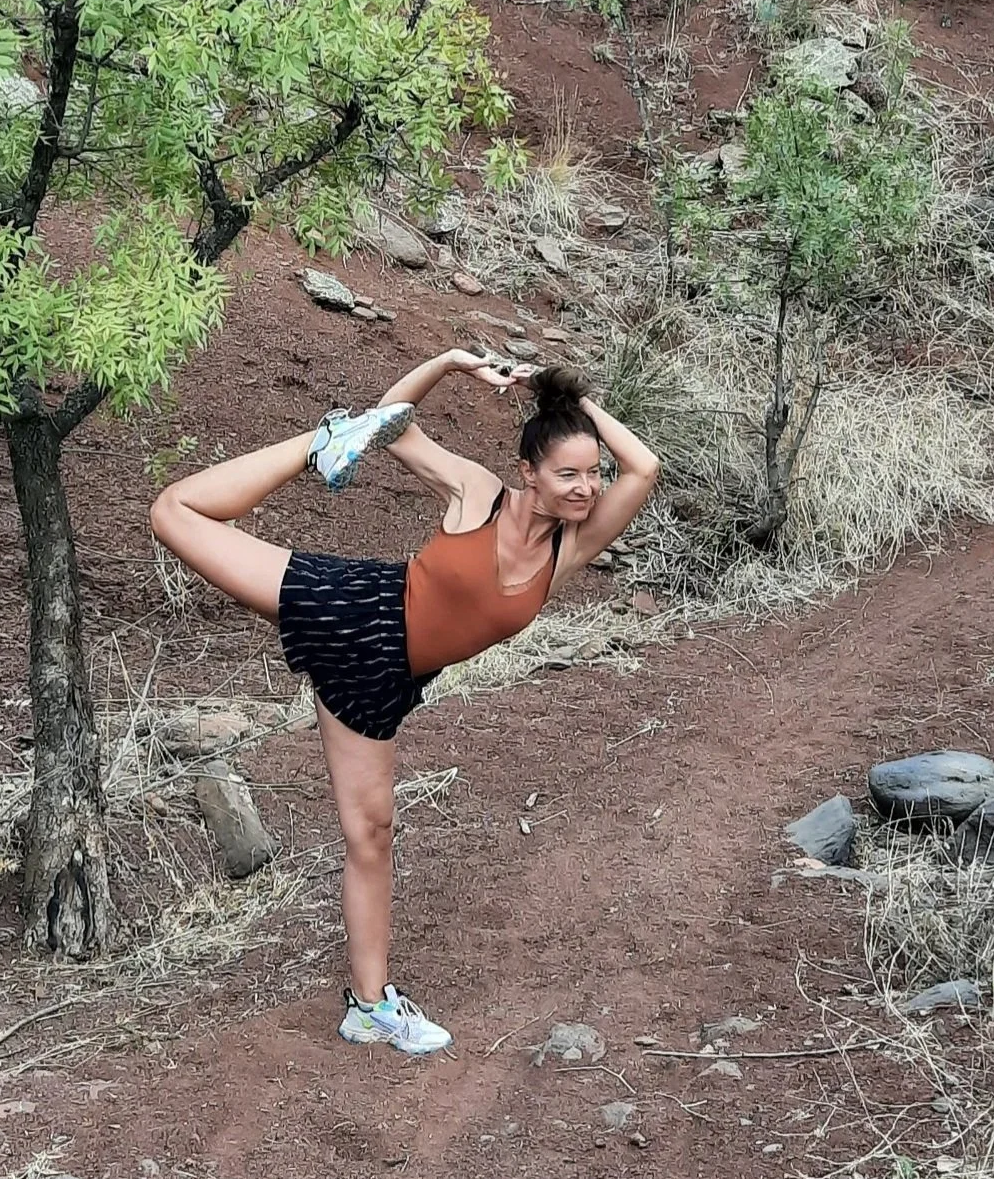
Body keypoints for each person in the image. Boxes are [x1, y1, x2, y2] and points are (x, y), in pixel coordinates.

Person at [149, 348, 661, 1054]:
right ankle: (311, 447)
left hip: (386, 682)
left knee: (372, 834)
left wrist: (564, 397)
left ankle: (369, 1007)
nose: (585, 487)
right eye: (568, 473)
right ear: (529, 474)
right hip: (354, 609)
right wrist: (449, 362)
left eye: (592, 473)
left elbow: (645, 468)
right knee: (173, 511)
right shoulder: (478, 491)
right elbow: (389, 424)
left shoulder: (571, 548)